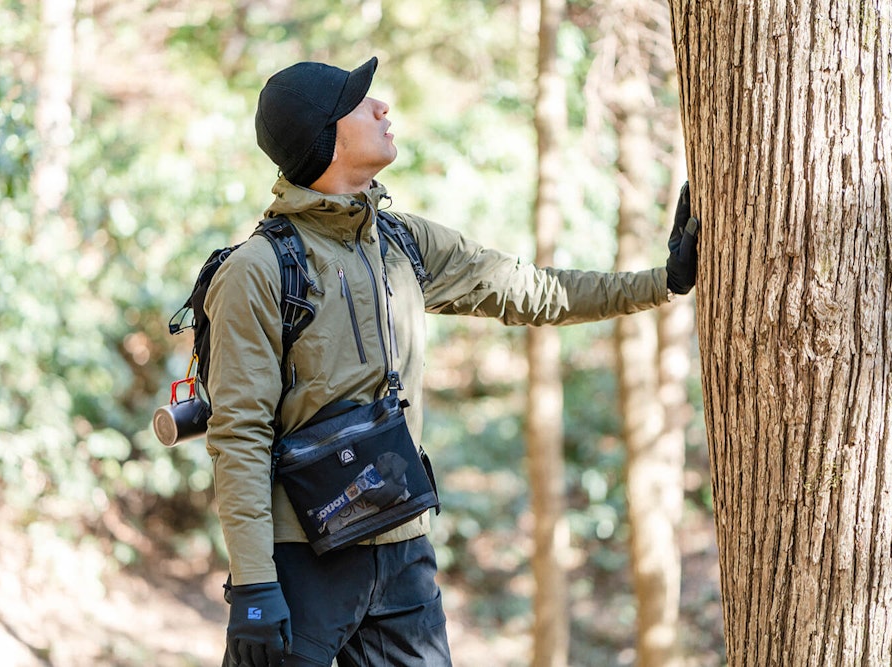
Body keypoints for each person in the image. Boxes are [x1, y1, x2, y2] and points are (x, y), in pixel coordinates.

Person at [207, 56, 699, 667]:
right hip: (300, 559)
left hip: (401, 545)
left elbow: (527, 289)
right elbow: (240, 433)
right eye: (361, 102)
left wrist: (664, 281)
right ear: (325, 135)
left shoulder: (403, 241)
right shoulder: (255, 270)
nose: (382, 108)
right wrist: (254, 587)